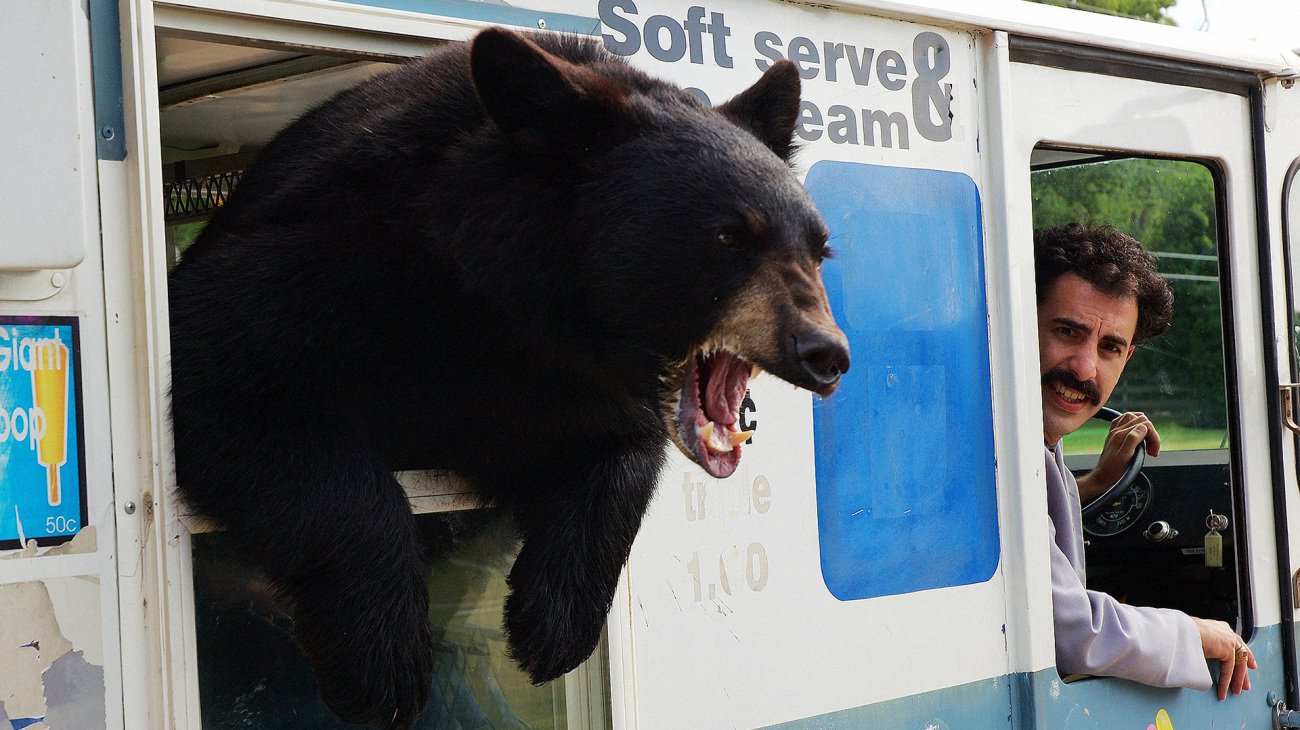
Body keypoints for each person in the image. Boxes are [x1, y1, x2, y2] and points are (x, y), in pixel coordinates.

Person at [1035, 222, 1256, 699]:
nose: (1084, 368)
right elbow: (1073, 634)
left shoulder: (1036, 451)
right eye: (1066, 332)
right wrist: (1198, 632)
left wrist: (1092, 483)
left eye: (1109, 347)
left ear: (1128, 357)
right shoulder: (985, 458)